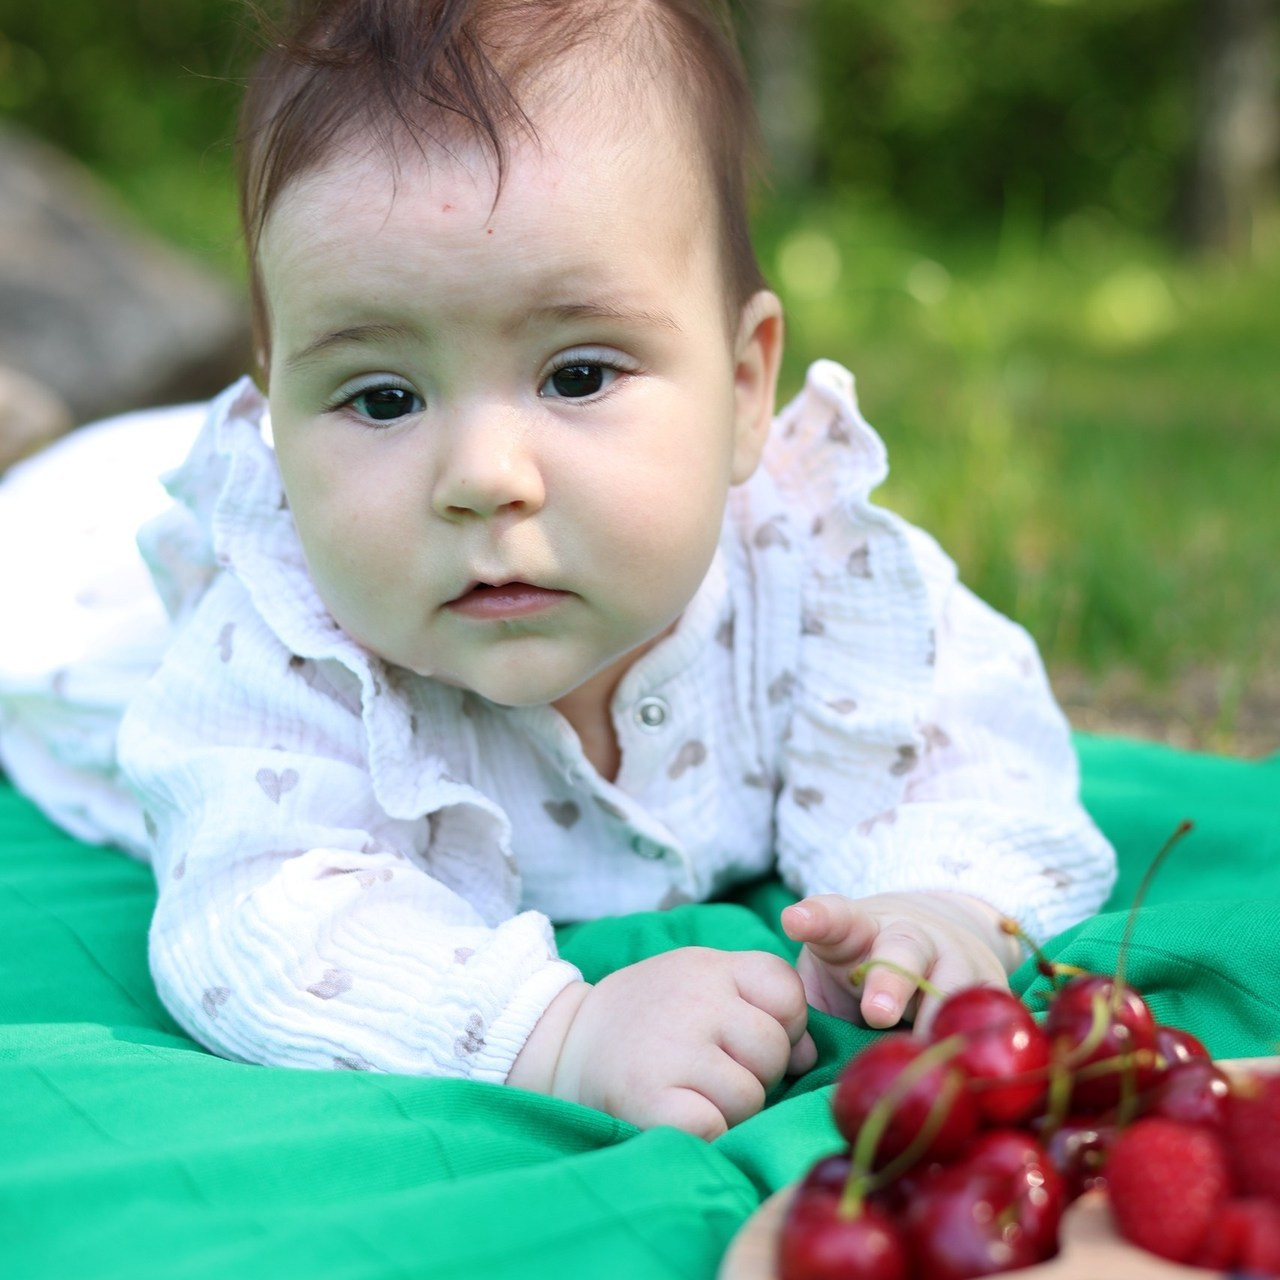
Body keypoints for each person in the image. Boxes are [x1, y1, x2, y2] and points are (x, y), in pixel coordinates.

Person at [0, 0, 1114, 1139]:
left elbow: (969, 742)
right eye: (381, 397)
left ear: (743, 390)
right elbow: (256, 920)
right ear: (276, 413)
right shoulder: (288, 649)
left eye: (577, 376)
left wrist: (936, 899)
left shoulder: (817, 568)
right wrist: (553, 1033)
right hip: (63, 559)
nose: (484, 476)